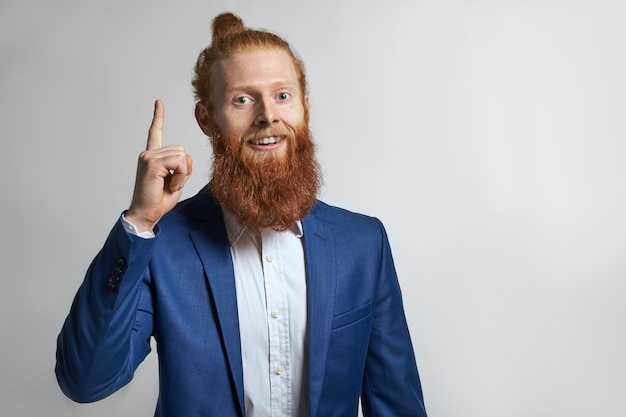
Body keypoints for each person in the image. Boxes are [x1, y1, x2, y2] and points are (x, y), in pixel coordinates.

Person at [55, 12, 427, 417]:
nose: (268, 115)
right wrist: (140, 222)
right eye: (242, 99)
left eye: (283, 96)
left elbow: (396, 404)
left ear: (304, 106)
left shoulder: (363, 243)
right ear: (206, 119)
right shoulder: (161, 245)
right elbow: (85, 381)